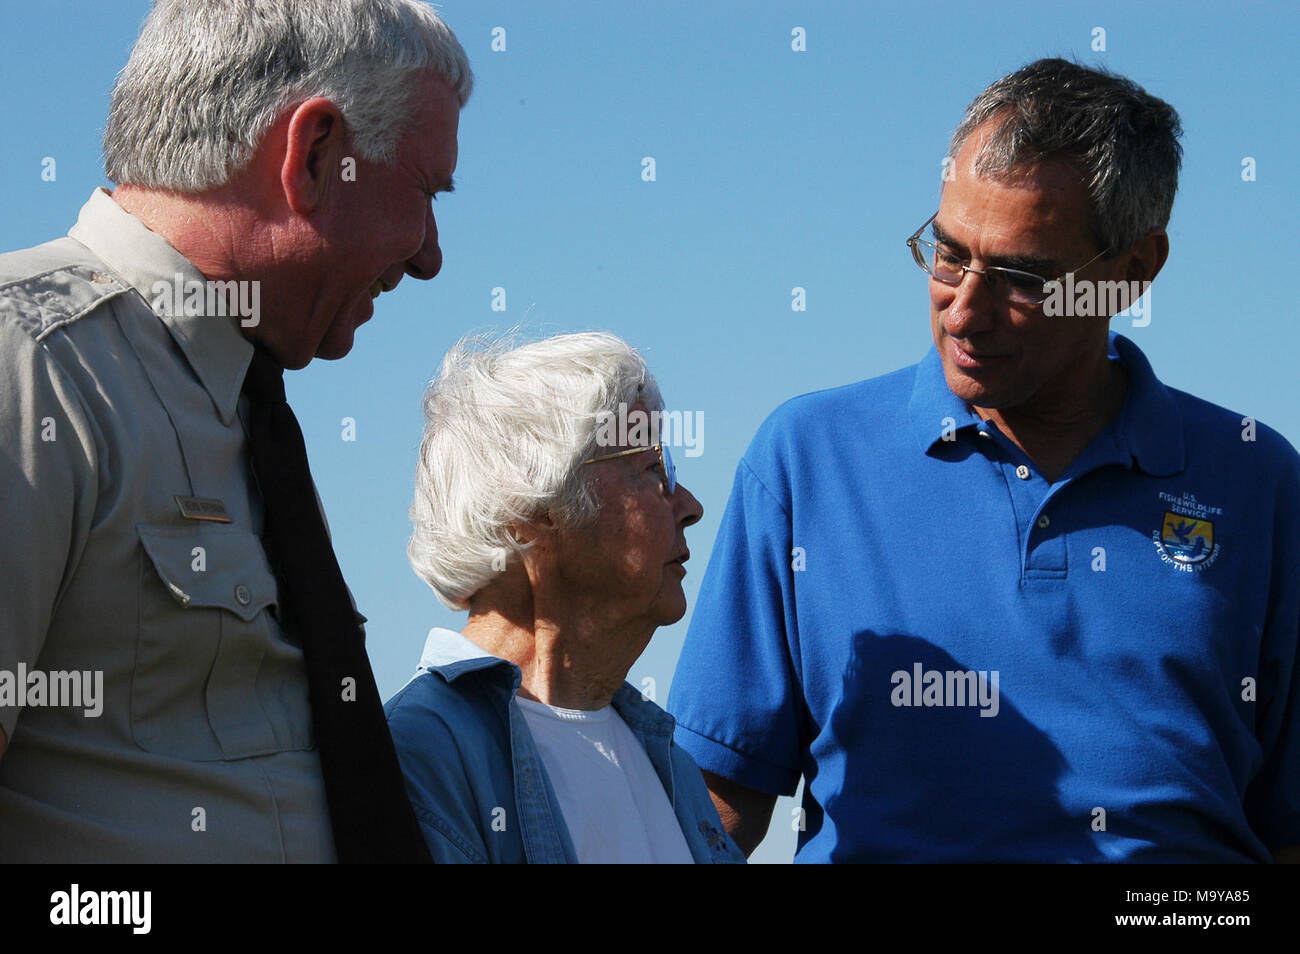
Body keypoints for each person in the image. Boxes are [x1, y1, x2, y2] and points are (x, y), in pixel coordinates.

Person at [667, 58, 1300, 863]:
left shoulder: (1259, 483)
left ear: (1134, 272)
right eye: (948, 251)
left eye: (1023, 277)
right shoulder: (807, 462)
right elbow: (714, 808)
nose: (964, 308)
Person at [0, 0, 471, 862]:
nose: (430, 253)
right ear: (315, 154)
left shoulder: (247, 415)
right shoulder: (29, 363)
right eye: (425, 192)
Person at [385, 332, 746, 863]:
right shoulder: (421, 753)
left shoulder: (665, 756)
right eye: (653, 470)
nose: (690, 505)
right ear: (533, 513)